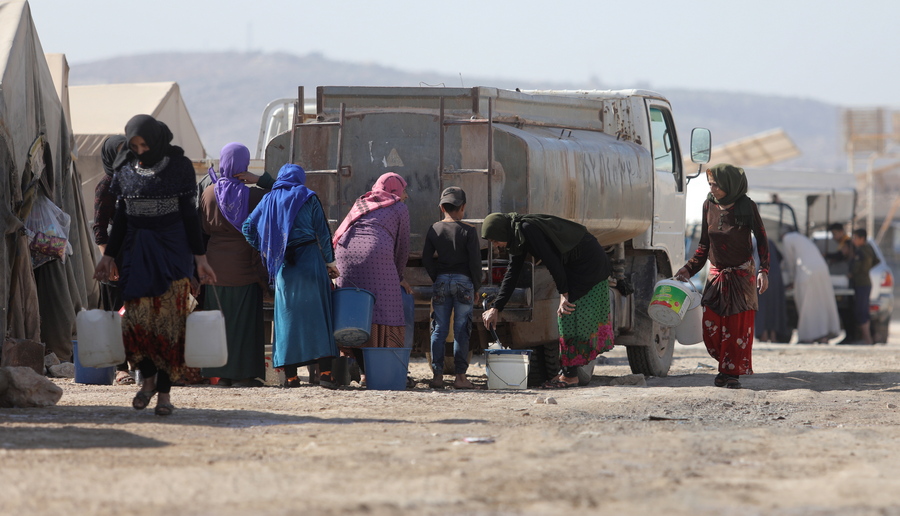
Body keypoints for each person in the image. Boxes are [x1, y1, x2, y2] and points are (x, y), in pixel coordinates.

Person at [94, 114, 217, 416]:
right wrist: (108, 256)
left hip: (172, 253)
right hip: (136, 254)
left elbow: (190, 217)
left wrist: (199, 259)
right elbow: (120, 218)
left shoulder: (179, 168)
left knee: (169, 328)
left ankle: (163, 395)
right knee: (133, 325)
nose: (140, 151)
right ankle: (146, 377)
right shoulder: (124, 168)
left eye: (145, 144)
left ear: (157, 141)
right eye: (134, 145)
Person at [481, 212, 613, 389]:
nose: (496, 246)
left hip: (588, 262)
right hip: (574, 264)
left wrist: (564, 294)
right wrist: (496, 308)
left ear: (502, 231)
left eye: (495, 241)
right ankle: (567, 372)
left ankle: (570, 376)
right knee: (567, 315)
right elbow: (513, 272)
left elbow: (552, 262)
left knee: (567, 312)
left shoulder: (528, 229)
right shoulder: (518, 236)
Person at [243, 163, 340, 387]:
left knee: (288, 318)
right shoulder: (308, 196)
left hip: (283, 264)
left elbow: (247, 227)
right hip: (311, 261)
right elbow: (323, 232)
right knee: (319, 315)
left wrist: (267, 249)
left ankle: (291, 377)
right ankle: (326, 375)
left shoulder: (269, 199)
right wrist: (330, 262)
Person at [675, 163, 768, 390]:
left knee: (736, 329)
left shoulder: (747, 207)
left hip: (741, 276)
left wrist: (763, 271)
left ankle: (730, 372)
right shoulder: (709, 205)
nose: (712, 188)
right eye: (710, 184)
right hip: (716, 276)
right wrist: (688, 269)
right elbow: (704, 244)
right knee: (711, 326)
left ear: (729, 184)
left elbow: (763, 240)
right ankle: (725, 364)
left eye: (716, 184)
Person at [198, 143, 275, 387]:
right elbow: (285, 190)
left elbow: (201, 232)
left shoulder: (208, 193)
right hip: (245, 268)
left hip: (214, 270)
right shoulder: (254, 196)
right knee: (244, 323)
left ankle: (221, 375)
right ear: (244, 164)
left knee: (220, 323)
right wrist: (260, 179)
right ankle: (245, 376)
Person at [332, 172, 411, 382]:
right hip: (375, 256)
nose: (405, 196)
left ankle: (357, 364)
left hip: (344, 256)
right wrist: (399, 276)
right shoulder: (399, 208)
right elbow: (402, 248)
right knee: (385, 310)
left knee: (356, 311)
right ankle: (376, 371)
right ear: (396, 190)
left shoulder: (362, 202)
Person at [422, 187, 482, 389]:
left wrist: (436, 277)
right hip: (464, 283)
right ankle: (460, 378)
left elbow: (426, 259)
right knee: (461, 330)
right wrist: (476, 287)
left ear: (441, 207)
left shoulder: (434, 229)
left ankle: (437, 377)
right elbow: (475, 262)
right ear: (463, 207)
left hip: (440, 282)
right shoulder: (469, 231)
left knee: (438, 329)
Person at [92, 134, 135, 386]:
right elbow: (99, 228)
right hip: (117, 258)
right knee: (116, 312)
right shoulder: (106, 185)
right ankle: (120, 368)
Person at [780, 228, 841, 343]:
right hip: (822, 269)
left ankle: (809, 336)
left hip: (807, 272)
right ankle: (824, 335)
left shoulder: (787, 239)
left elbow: (789, 260)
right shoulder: (802, 238)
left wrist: (792, 279)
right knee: (821, 303)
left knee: (807, 305)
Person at [753, 236, 789, 343]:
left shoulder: (752, 240)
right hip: (775, 276)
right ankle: (773, 335)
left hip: (760, 274)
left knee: (761, 305)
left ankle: (763, 334)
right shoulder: (770, 240)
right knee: (774, 306)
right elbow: (780, 257)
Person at [848, 228, 879, 345]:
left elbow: (856, 269)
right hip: (866, 283)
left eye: (855, 238)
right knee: (864, 310)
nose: (853, 240)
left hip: (861, 283)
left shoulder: (860, 251)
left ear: (862, 239)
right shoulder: (869, 249)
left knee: (861, 311)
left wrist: (854, 273)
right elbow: (877, 261)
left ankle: (867, 339)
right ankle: (870, 337)